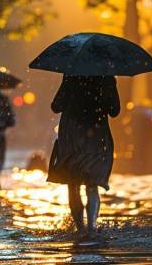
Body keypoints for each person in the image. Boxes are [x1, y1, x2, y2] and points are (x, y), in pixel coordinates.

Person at [48, 75, 120, 235]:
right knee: (92, 183)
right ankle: (92, 227)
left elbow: (56, 106)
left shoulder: (71, 74)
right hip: (97, 133)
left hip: (71, 134)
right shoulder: (106, 77)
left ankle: (80, 228)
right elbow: (115, 111)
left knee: (72, 183)